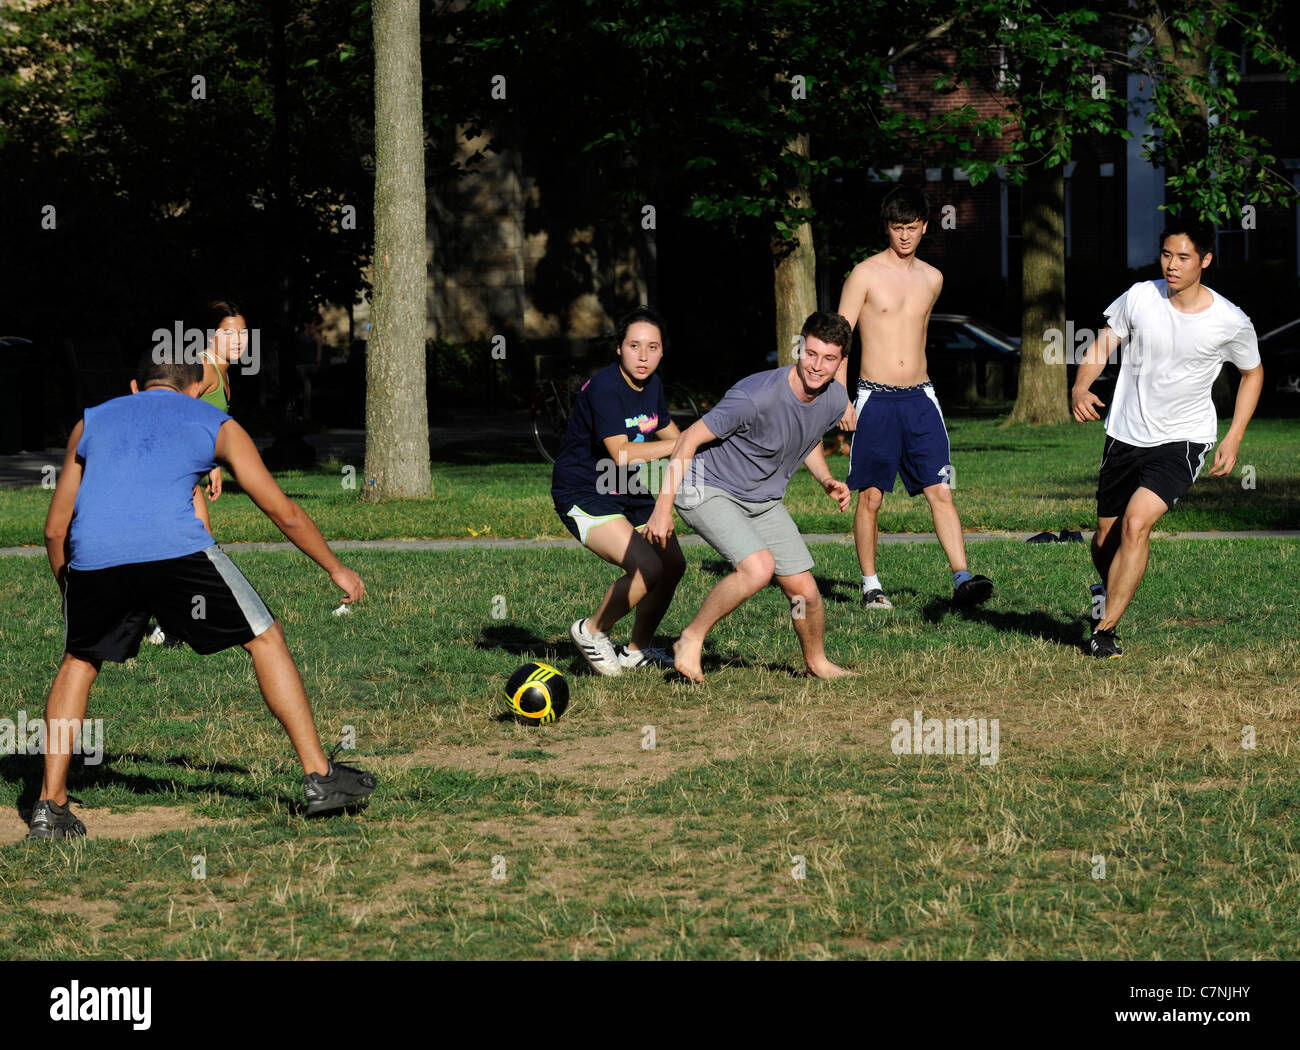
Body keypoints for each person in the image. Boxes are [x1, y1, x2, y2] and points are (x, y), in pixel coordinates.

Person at [30, 352, 375, 839]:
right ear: (196, 388)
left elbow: (53, 529)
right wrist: (336, 568)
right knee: (265, 638)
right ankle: (320, 777)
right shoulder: (215, 422)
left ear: (135, 386)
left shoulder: (90, 423)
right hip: (178, 554)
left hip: (97, 559)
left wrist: (71, 589)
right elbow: (284, 512)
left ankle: (50, 806)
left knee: (79, 661)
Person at [1072, 218, 1263, 658]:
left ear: (1205, 260)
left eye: (1183, 257)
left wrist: (1233, 437)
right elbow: (1102, 345)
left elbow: (1253, 373)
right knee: (1105, 539)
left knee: (1137, 524)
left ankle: (1105, 631)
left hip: (1183, 439)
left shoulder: (1229, 321)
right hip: (1124, 432)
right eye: (1166, 255)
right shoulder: (1141, 296)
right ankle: (1109, 587)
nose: (1172, 265)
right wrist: (1082, 386)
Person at [645, 310, 854, 683]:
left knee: (804, 590)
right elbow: (687, 439)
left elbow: (805, 438)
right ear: (800, 347)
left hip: (762, 498)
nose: (817, 366)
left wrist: (825, 479)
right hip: (706, 486)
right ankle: (690, 639)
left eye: (828, 359)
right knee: (759, 568)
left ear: (841, 362)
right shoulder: (755, 396)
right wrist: (663, 509)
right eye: (811, 353)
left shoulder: (835, 399)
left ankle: (816, 663)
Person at [835, 186, 993, 611]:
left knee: (940, 489)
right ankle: (871, 585)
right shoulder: (864, 274)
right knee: (871, 496)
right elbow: (840, 339)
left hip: (922, 397)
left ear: (924, 226)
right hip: (874, 398)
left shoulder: (933, 278)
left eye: (911, 227)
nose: (904, 235)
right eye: (896, 227)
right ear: (887, 227)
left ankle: (962, 580)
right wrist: (840, 398)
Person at [551, 306, 686, 675]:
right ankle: (592, 630)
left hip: (626, 487)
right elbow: (622, 454)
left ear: (662, 351)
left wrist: (705, 444)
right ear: (619, 349)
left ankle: (636, 650)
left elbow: (675, 436)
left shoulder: (652, 385)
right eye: (634, 346)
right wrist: (680, 447)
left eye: (653, 347)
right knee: (646, 567)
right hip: (583, 489)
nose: (643, 356)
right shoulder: (605, 388)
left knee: (672, 565)